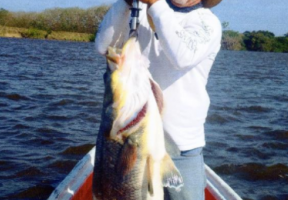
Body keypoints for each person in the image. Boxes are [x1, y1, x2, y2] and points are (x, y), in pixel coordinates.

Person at [95, 0, 222, 199]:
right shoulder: (138, 11)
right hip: (128, 138)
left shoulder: (207, 23)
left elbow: (182, 56)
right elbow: (103, 46)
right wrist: (125, 3)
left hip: (182, 146)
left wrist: (155, 4)